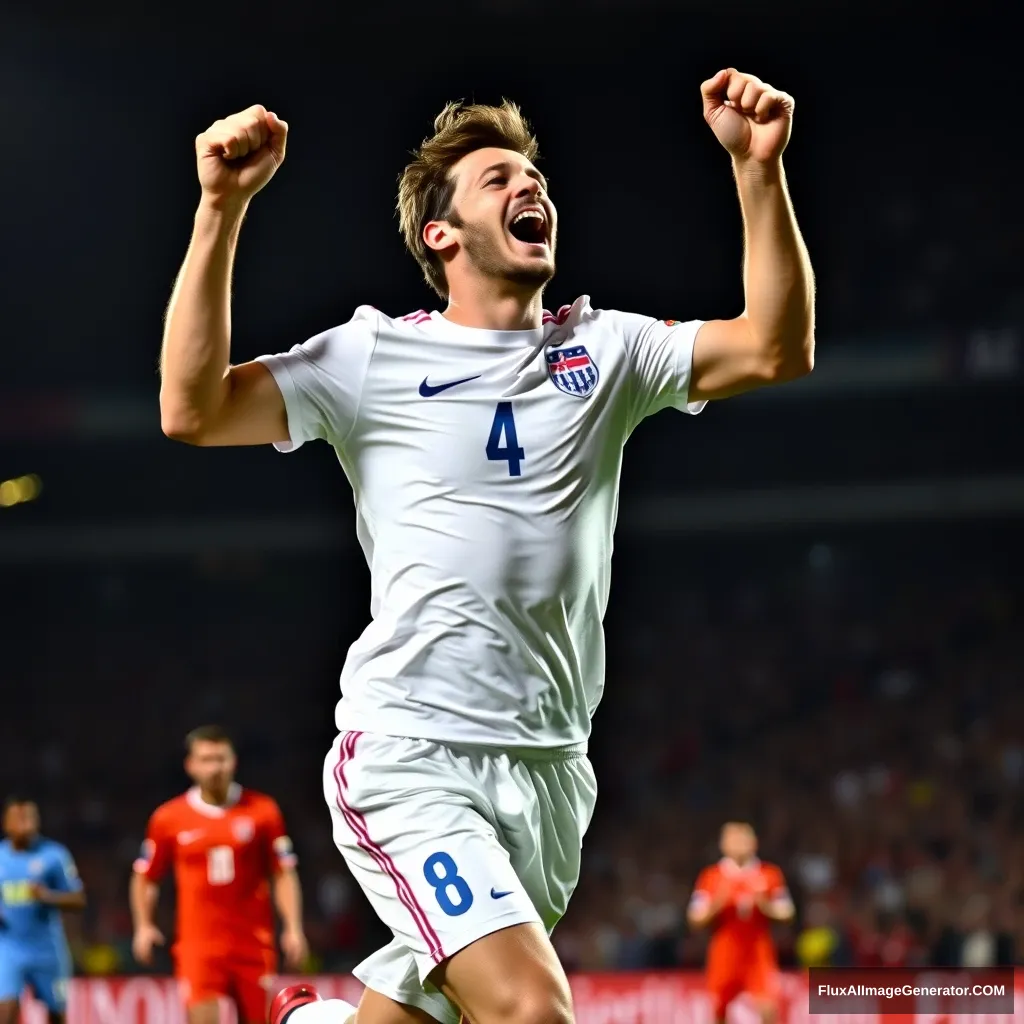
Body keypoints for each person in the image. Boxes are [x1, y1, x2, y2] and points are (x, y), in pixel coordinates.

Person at [159, 66, 814, 1024]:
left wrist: (761, 173)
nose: (530, 188)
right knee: (529, 1009)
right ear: (442, 233)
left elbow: (774, 348)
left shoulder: (611, 350)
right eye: (498, 180)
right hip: (413, 749)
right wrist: (219, 208)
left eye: (534, 178)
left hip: (553, 766)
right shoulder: (370, 356)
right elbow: (191, 406)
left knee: (443, 1009)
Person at [130, 726, 308, 1024]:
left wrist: (293, 927)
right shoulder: (168, 818)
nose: (215, 767)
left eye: (221, 758)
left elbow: (283, 874)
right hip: (198, 945)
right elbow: (145, 877)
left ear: (233, 761)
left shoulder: (263, 811)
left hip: (253, 943)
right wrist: (144, 926)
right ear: (191, 765)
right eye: (206, 759)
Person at [687, 822, 795, 1024]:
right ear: (723, 844)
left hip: (758, 952)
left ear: (754, 843)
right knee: (719, 1009)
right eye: (733, 839)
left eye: (744, 839)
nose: (739, 844)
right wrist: (717, 904)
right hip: (724, 952)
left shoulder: (769, 874)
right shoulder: (711, 876)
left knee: (768, 1009)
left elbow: (787, 912)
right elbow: (694, 918)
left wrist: (765, 906)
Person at [0, 796, 86, 1024]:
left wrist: (47, 896)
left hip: (47, 948)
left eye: (30, 817)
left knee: (57, 1015)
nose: (25, 823)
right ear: (6, 823)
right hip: (8, 947)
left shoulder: (54, 856)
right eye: (19, 817)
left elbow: (78, 900)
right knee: (5, 1009)